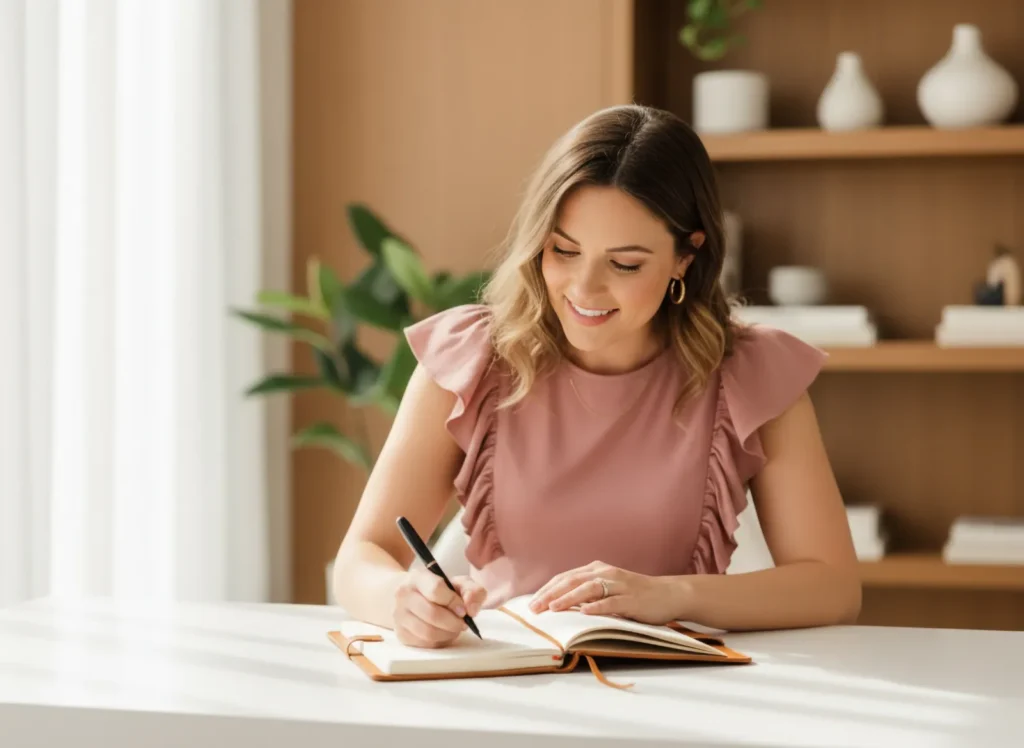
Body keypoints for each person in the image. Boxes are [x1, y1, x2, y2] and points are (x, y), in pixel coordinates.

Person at [332, 104, 861, 649]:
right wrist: (403, 599)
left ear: (686, 256)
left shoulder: (753, 373)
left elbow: (833, 585)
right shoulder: (468, 359)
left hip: (673, 689)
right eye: (563, 250)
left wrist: (672, 596)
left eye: (625, 264)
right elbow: (362, 558)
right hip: (502, 675)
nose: (584, 289)